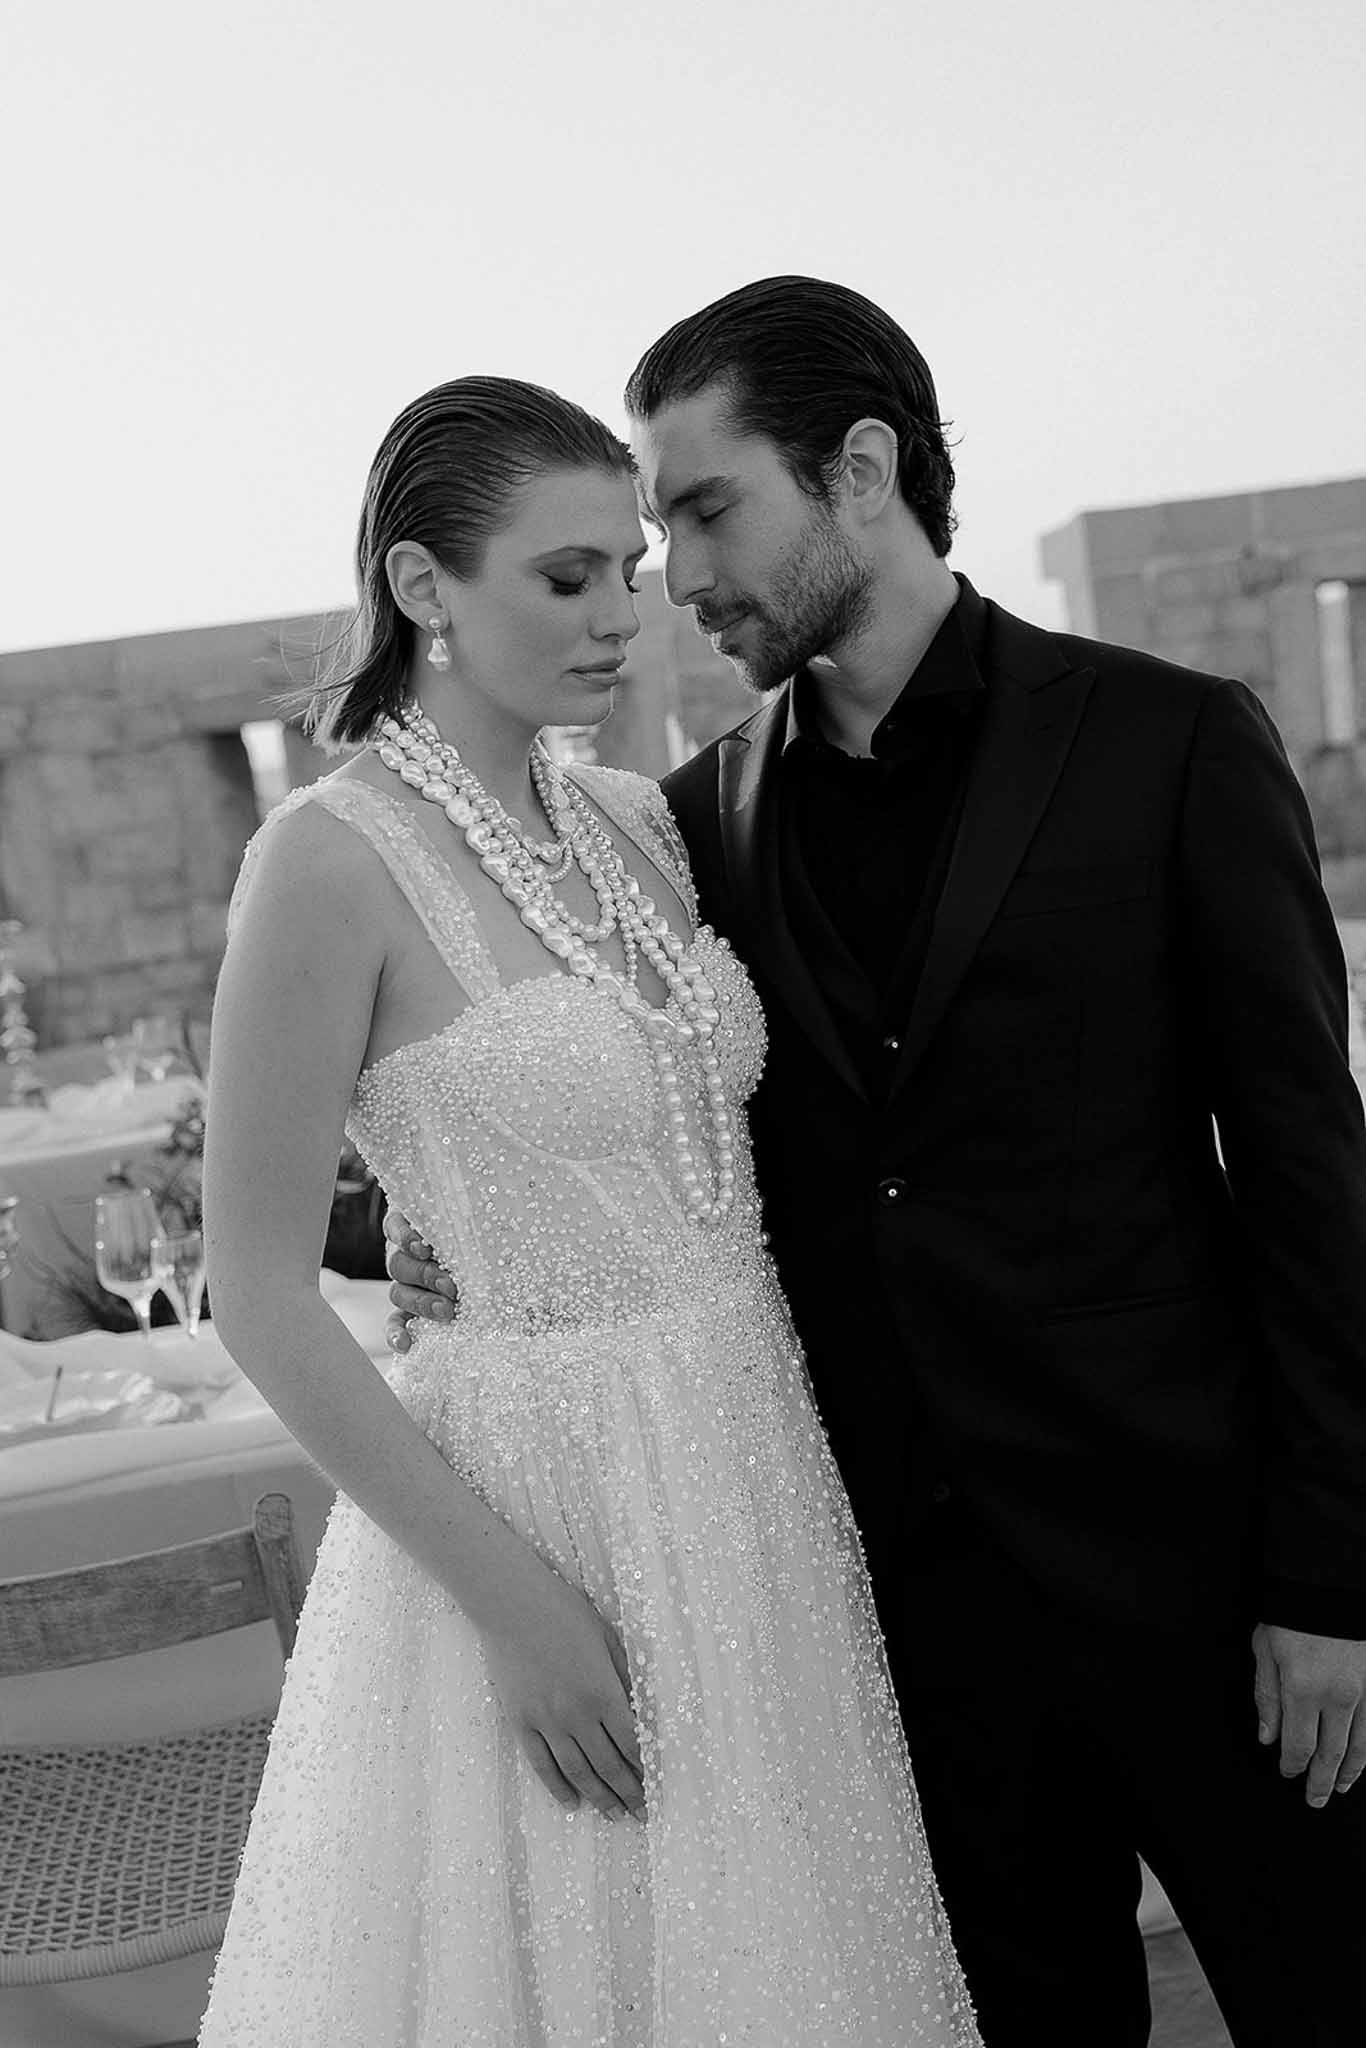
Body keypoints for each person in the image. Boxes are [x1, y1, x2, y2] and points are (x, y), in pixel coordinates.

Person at [388, 279, 1366, 2046]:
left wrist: (1330, 1585)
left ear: (858, 469)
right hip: (900, 1628)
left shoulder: (1168, 741)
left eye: (702, 511)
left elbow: (1313, 1181)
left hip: (1208, 1589)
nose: (672, 578)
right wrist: (439, 1236)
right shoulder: (684, 832)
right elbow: (630, 1121)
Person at [197, 373, 980, 2046]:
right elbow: (254, 1291)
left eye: (628, 567)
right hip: (539, 1505)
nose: (626, 612)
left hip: (755, 1476)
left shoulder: (637, 822)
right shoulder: (325, 864)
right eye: (567, 579)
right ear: (423, 589)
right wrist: (517, 1608)